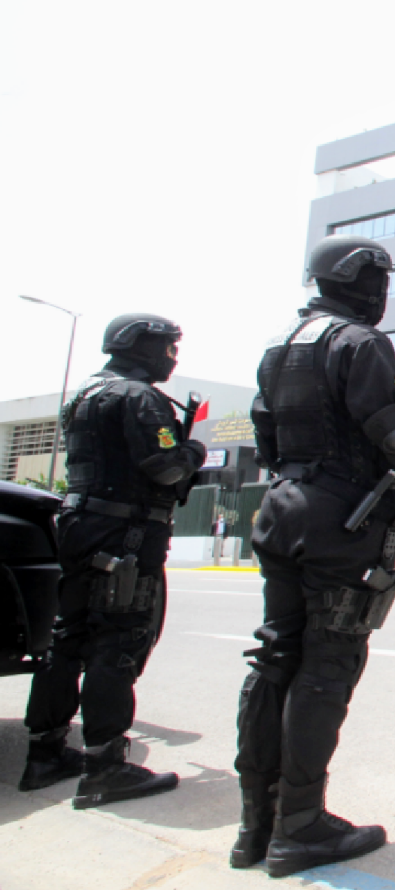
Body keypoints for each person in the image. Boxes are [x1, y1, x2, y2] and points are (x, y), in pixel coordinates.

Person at [231, 235, 395, 878]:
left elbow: (265, 433)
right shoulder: (359, 342)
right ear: (355, 281)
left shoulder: (280, 345)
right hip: (339, 516)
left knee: (274, 657)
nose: (384, 293)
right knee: (327, 664)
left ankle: (255, 826)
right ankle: (302, 826)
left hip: (283, 505)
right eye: (379, 280)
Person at [19, 314, 206, 807]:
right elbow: (165, 468)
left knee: (70, 638)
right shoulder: (138, 397)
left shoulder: (83, 394)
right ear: (139, 346)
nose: (172, 357)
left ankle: (46, 753)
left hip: (81, 524)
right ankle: (105, 766)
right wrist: (193, 450)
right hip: (125, 531)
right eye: (167, 348)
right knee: (118, 640)